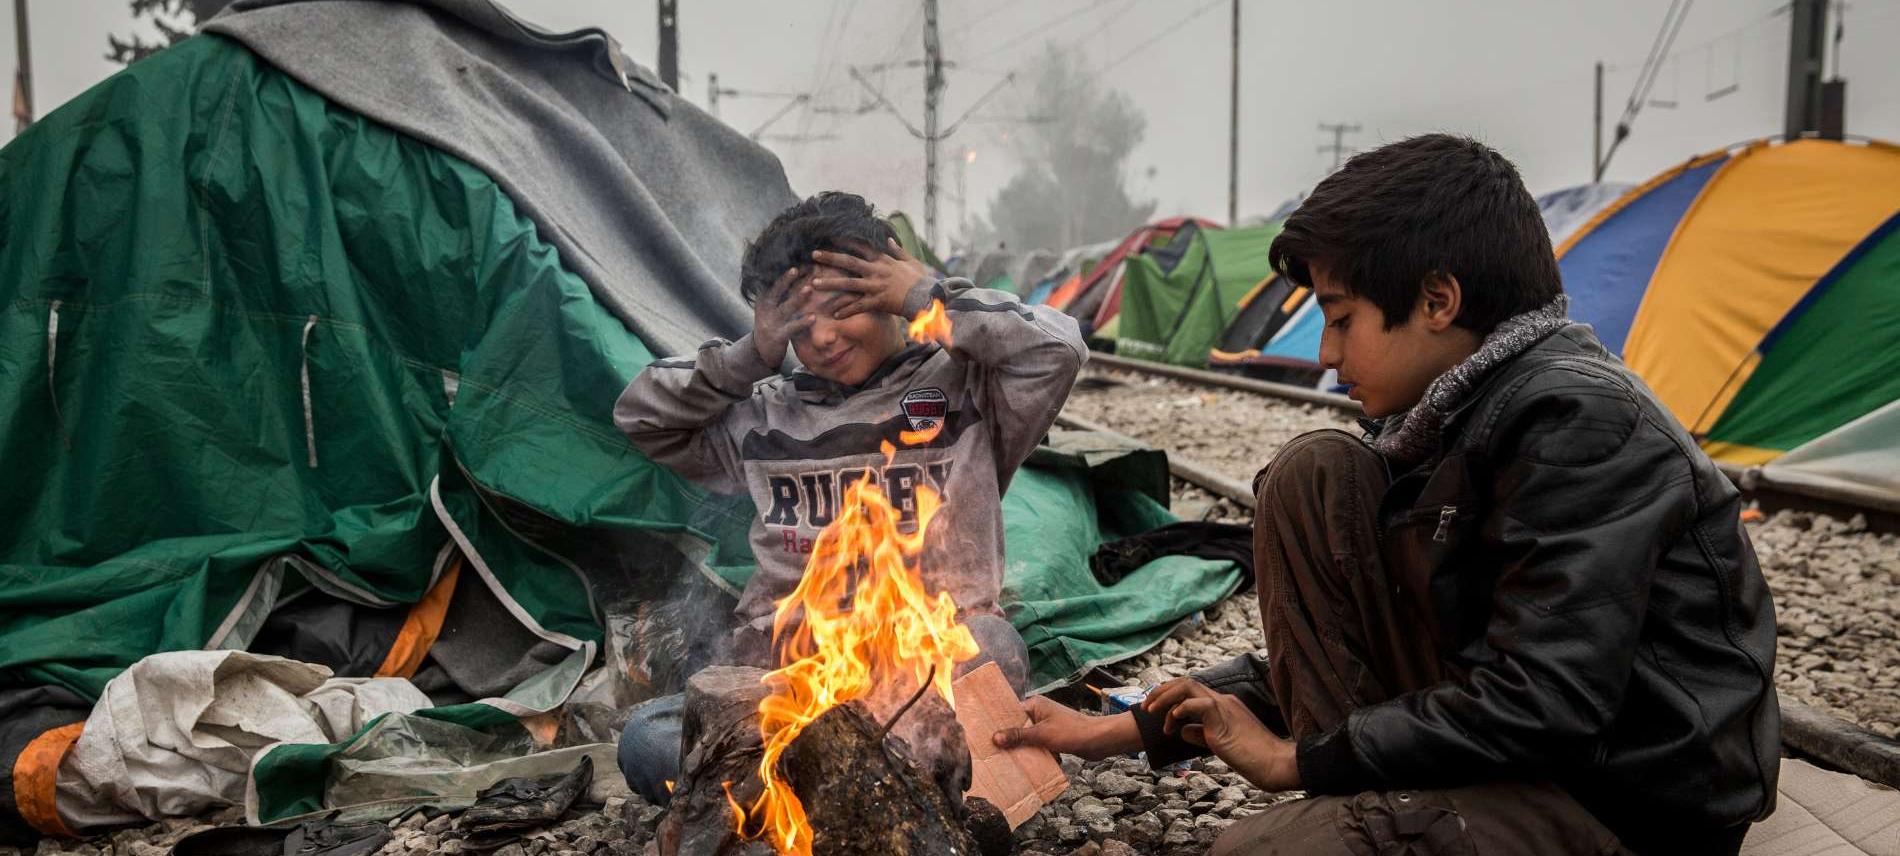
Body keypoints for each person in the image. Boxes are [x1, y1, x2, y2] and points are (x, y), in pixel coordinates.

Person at [993, 135, 1779, 856]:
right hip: (1525, 761)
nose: (1328, 356)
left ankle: (1372, 814)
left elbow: (1546, 700)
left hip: (1619, 807)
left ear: (1438, 301)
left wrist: (1293, 758)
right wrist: (1119, 730)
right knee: (1317, 472)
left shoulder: (1576, 422)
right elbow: (1380, 629)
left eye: (1341, 318)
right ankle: (1376, 809)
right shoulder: (1450, 413)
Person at [611, 191, 1087, 804]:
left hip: (925, 666)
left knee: (991, 651)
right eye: (800, 327)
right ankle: (862, 793)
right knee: (648, 742)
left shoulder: (967, 388)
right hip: (786, 669)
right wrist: (747, 357)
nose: (826, 338)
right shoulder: (764, 414)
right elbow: (640, 416)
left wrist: (927, 296)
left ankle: (822, 799)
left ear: (889, 292)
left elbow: (1059, 349)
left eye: (845, 307)